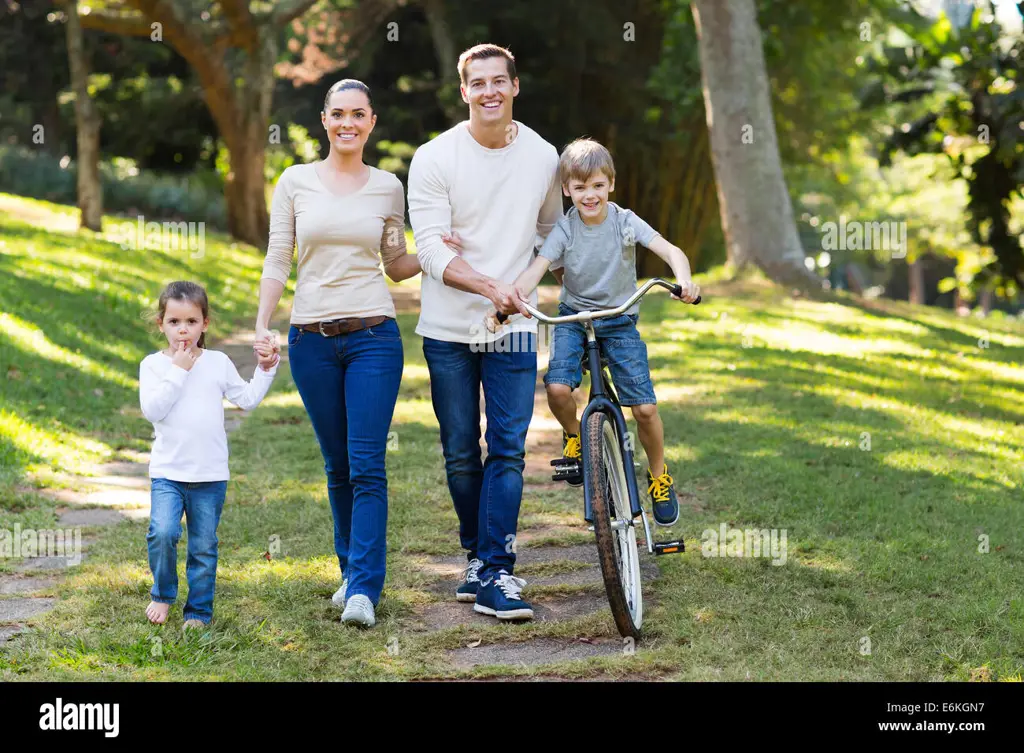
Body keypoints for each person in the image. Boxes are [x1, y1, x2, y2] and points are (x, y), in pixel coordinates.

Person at [254, 79, 420, 629]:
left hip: (374, 337)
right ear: (324, 121)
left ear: (372, 122)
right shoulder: (296, 181)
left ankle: (364, 590)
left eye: (359, 114)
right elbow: (280, 257)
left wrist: (442, 250)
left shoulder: (388, 187)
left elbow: (395, 262)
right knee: (337, 464)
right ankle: (350, 570)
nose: (348, 123)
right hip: (310, 341)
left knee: (368, 463)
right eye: (338, 114)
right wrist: (262, 326)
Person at [408, 44, 563, 622]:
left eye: (500, 81)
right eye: (478, 83)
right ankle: (476, 556)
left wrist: (520, 289)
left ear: (516, 87)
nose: (490, 91)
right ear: (464, 91)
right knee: (458, 452)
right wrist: (487, 287)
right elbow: (428, 250)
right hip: (447, 326)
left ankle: (496, 568)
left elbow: (551, 235)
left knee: (508, 447)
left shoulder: (544, 157)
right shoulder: (434, 157)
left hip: (517, 327)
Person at [505, 137, 700, 527]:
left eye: (597, 185)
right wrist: (512, 297)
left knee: (644, 408)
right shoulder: (566, 228)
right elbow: (538, 267)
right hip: (575, 318)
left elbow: (672, 251)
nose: (589, 195)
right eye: (580, 188)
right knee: (558, 389)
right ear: (567, 189)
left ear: (610, 183)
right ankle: (576, 436)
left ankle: (659, 475)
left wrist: (684, 280)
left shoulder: (625, 221)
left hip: (618, 318)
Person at [140, 280, 279, 629]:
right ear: (161, 324)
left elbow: (246, 400)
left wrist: (266, 368)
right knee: (162, 533)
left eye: (191, 321)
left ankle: (198, 611)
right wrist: (178, 371)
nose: (183, 329)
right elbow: (153, 410)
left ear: (205, 323)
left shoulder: (217, 362)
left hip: (210, 475)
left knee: (203, 547)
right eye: (174, 322)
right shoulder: (154, 366)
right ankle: (162, 592)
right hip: (168, 473)